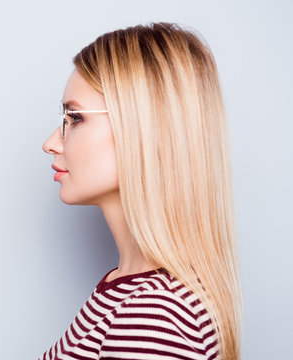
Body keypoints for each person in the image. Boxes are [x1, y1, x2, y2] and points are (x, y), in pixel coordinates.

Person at [40, 22, 243, 360]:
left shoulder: (153, 315)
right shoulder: (126, 287)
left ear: (141, 128)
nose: (50, 144)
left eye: (74, 118)